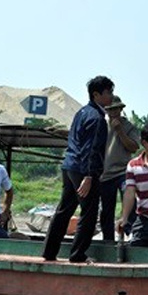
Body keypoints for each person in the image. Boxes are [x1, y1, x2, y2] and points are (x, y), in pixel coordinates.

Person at [42, 76, 114, 263]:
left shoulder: (81, 112)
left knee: (64, 209)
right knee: (89, 212)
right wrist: (89, 176)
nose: (111, 96)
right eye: (108, 92)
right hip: (83, 170)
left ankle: (49, 251)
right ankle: (77, 254)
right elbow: (91, 149)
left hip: (69, 166)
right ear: (96, 95)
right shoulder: (97, 118)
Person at [100, 95, 140, 241]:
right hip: (105, 174)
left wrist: (120, 131)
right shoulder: (101, 126)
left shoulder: (128, 126)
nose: (113, 112)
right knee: (106, 210)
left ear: (121, 109)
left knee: (130, 206)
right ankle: (108, 241)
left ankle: (132, 237)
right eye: (110, 110)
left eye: (116, 109)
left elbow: (133, 147)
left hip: (124, 172)